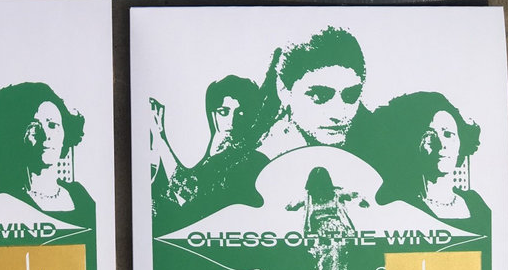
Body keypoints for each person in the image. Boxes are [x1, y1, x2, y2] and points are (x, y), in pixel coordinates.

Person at [354, 91, 489, 236]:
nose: (441, 144)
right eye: (429, 135)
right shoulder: (397, 205)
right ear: (411, 144)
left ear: (461, 143)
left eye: (448, 134)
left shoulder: (474, 202)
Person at [0, 82, 94, 227]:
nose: (46, 136)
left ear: (65, 134)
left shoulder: (79, 196)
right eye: (34, 127)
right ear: (17, 135)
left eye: (52, 125)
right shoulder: (4, 198)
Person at [149, 75, 263, 228]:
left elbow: (188, 196)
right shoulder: (213, 158)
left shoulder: (253, 161)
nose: (232, 121)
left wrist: (160, 135)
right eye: (224, 112)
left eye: (241, 113)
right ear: (212, 115)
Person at [256, 26, 366, 160]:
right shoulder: (260, 162)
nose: (339, 115)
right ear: (284, 91)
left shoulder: (367, 151)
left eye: (350, 96)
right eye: (319, 96)